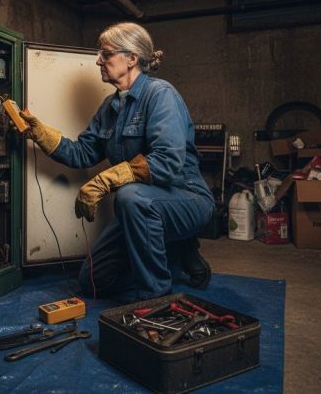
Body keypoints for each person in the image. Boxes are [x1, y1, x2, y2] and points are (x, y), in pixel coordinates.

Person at [20, 22, 215, 302]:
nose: (99, 60)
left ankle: (157, 296)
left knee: (129, 197)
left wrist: (104, 181)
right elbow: (82, 153)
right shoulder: (110, 109)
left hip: (187, 198)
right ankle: (173, 254)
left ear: (132, 58)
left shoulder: (160, 95)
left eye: (106, 54)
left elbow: (167, 161)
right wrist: (41, 134)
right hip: (141, 207)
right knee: (92, 281)